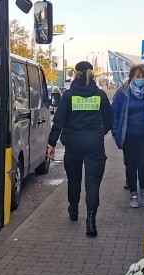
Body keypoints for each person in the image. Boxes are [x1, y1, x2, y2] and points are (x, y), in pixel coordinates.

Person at [47, 60, 112, 236]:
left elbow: (58, 121)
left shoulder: (68, 96)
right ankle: (91, 222)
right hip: (94, 145)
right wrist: (99, 133)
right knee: (93, 184)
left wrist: (51, 144)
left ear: (75, 75)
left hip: (73, 145)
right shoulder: (100, 95)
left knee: (73, 180)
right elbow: (109, 121)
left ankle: (73, 210)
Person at [111, 63, 144, 208]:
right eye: (137, 76)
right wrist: (115, 132)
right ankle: (133, 194)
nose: (140, 79)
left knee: (143, 163)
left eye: (142, 76)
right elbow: (115, 114)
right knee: (131, 165)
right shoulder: (123, 93)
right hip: (128, 136)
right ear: (132, 77)